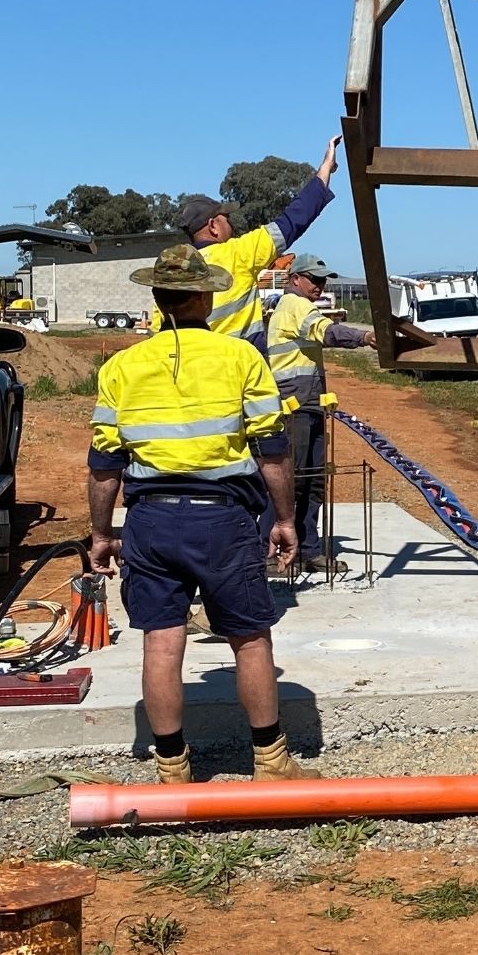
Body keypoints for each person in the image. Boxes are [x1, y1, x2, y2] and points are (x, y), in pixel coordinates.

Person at [85, 244, 319, 784]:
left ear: (157, 297)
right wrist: (285, 519)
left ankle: (172, 770)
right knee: (250, 637)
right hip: (222, 522)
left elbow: (104, 463)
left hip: (150, 522)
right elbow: (273, 448)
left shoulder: (121, 368)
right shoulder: (241, 359)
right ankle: (271, 763)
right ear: (206, 298)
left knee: (162, 640)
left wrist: (100, 532)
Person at [167, 136, 344, 355]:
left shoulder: (172, 272)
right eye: (226, 218)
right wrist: (326, 167)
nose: (231, 223)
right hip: (240, 367)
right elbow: (295, 219)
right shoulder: (238, 253)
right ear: (213, 226)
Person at [264, 255, 376, 565]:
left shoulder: (297, 306)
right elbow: (326, 332)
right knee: (291, 479)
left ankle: (308, 549)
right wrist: (365, 337)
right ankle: (269, 551)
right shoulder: (295, 305)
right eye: (314, 279)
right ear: (295, 279)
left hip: (309, 404)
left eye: (323, 280)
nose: (320, 285)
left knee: (313, 480)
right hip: (294, 406)